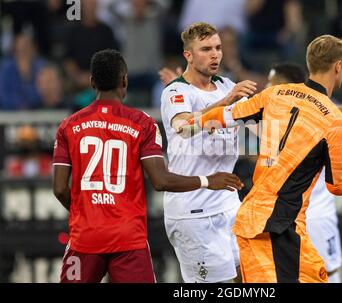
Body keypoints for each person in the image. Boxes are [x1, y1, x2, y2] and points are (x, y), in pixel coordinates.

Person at [52, 49, 243, 283]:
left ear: (92, 82)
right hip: (128, 239)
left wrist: (85, 213)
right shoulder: (142, 123)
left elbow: (60, 189)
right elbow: (161, 180)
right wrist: (207, 180)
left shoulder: (68, 126)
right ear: (125, 81)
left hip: (85, 237)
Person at [182, 35, 342, 282]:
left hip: (252, 219)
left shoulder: (274, 94)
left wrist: (189, 123)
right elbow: (337, 185)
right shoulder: (336, 121)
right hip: (282, 225)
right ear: (339, 66)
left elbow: (228, 115)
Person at [160, 22, 257, 283]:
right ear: (188, 55)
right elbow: (183, 126)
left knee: (250, 278)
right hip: (193, 211)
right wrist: (226, 103)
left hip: (228, 204)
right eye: (205, 49)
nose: (214, 55)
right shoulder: (176, 92)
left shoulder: (229, 86)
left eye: (218, 48)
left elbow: (260, 128)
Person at [266, 62, 342, 283]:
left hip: (316, 215)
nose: (268, 89)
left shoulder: (318, 111)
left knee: (326, 274)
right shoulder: (270, 118)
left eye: (273, 84)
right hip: (285, 218)